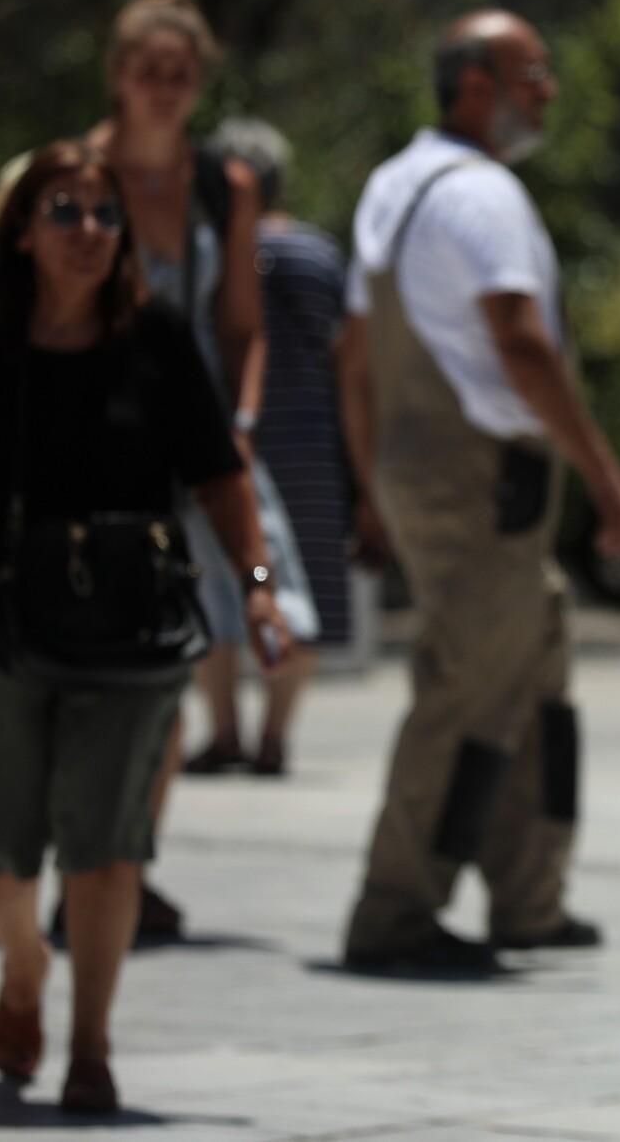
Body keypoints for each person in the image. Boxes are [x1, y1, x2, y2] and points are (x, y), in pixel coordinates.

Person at [0, 141, 291, 1114]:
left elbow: (218, 470)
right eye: (63, 212)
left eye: (104, 215)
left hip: (129, 628)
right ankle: (24, 963)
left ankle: (91, 1042)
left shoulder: (152, 334)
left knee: (108, 843)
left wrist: (261, 584)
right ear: (21, 229)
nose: (87, 232)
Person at [335, 10, 620, 972]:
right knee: (466, 686)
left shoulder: (394, 182)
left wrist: (373, 478)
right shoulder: (481, 195)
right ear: (475, 86)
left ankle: (529, 896)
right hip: (481, 475)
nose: (549, 90)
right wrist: (604, 473)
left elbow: (355, 357)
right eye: (533, 73)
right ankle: (395, 908)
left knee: (536, 668)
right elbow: (520, 341)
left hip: (426, 465)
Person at [81, 0, 318, 790]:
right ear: (118, 76)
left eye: (181, 73)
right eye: (150, 70)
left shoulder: (226, 185)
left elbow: (241, 326)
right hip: (106, 438)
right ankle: (116, 862)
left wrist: (240, 421)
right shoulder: (82, 173)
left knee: (273, 589)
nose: (165, 88)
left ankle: (260, 735)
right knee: (127, 657)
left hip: (208, 427)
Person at [207, 117, 349, 771]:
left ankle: (225, 732)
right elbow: (346, 357)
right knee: (307, 587)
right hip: (310, 446)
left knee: (215, 578)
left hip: (222, 437)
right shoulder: (316, 256)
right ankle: (274, 737)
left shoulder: (204, 251)